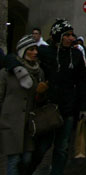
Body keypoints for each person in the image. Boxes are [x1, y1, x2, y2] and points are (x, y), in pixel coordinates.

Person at [28, 18, 86, 175]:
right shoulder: (44, 52)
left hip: (68, 108)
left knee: (62, 148)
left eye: (72, 35)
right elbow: (24, 58)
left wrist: (84, 107)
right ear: (58, 36)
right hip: (48, 107)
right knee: (42, 146)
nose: (71, 38)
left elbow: (82, 82)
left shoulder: (75, 55)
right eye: (67, 35)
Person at [0, 35, 48, 175]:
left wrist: (41, 93)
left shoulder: (39, 72)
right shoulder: (7, 72)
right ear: (22, 50)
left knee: (27, 159)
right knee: (13, 160)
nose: (35, 53)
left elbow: (39, 100)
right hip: (10, 123)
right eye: (31, 49)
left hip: (29, 124)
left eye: (35, 49)